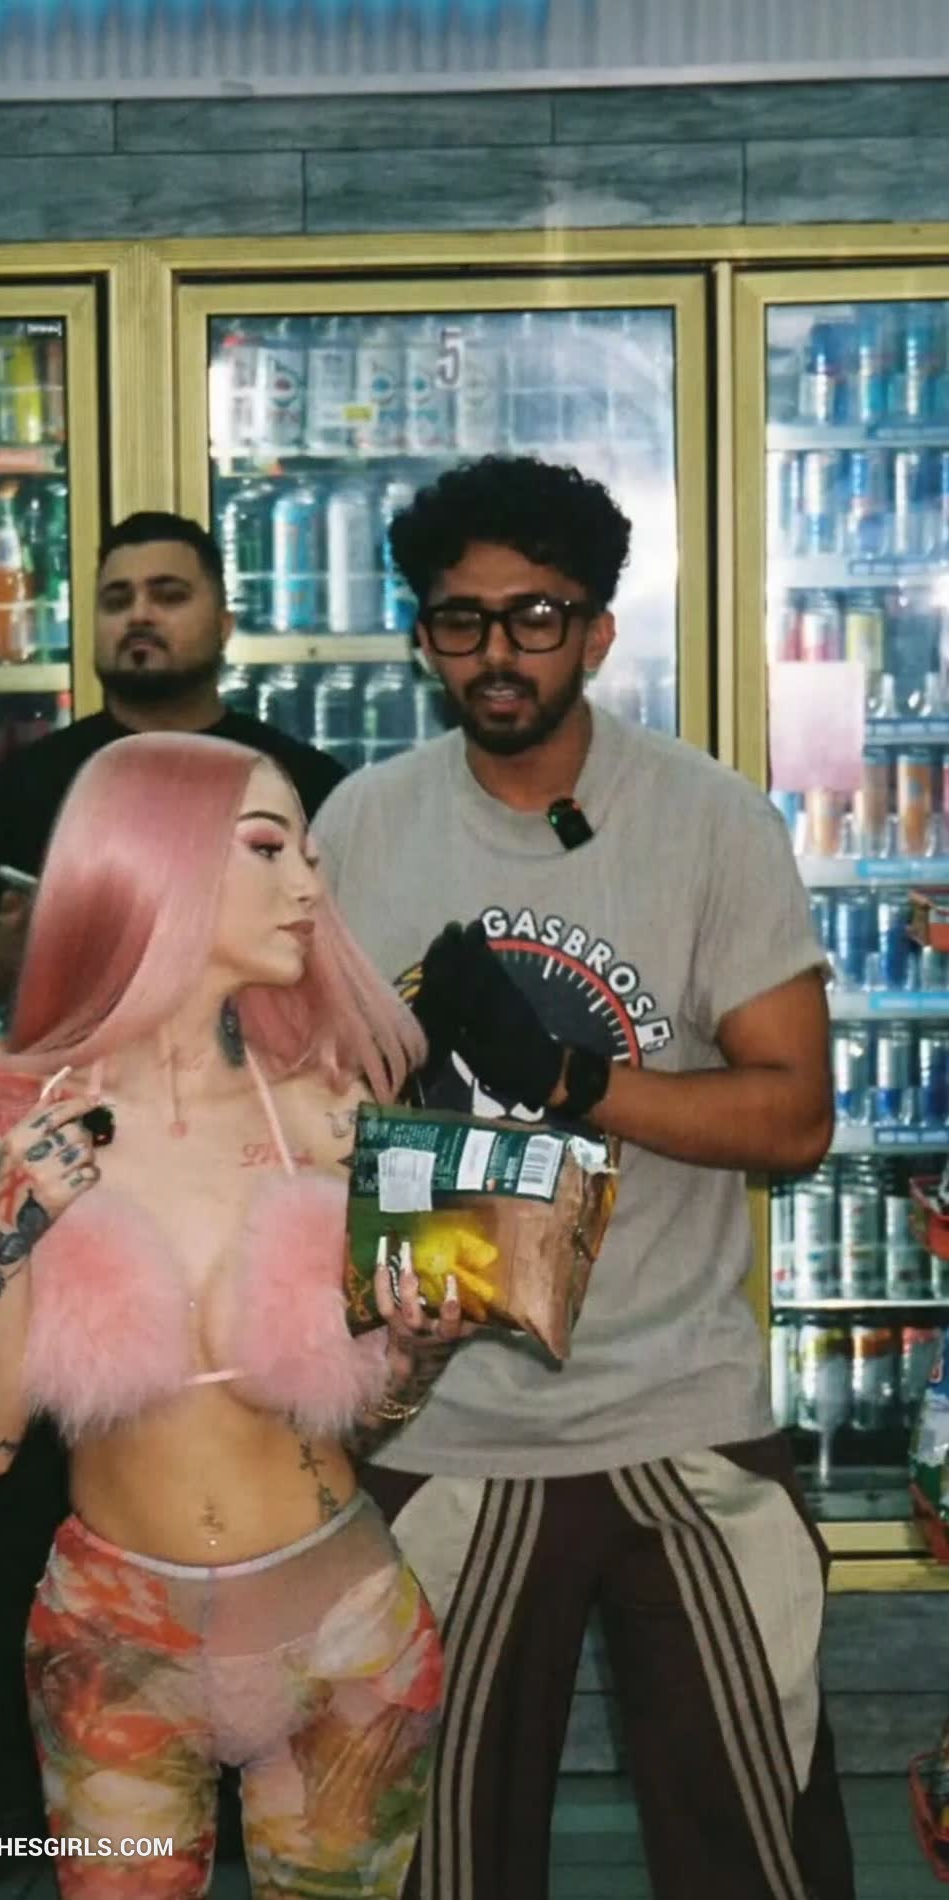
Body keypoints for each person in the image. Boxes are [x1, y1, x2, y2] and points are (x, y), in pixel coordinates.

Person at [313, 456, 856, 1900]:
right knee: (430, 1860)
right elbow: (308, 1102)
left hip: (682, 1412)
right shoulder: (362, 823)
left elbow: (796, 1116)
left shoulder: (709, 820)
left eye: (536, 616)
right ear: (422, 635)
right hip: (447, 1425)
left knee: (757, 1849)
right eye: (462, 619)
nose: (498, 652)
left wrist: (570, 1079)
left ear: (599, 631)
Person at [0, 731, 458, 1899]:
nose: (309, 884)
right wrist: (9, 1231)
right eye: (269, 848)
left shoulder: (334, 1104)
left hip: (348, 1632)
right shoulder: (11, 1114)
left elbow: (372, 1415)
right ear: (157, 860)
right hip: (113, 1640)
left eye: (310, 853)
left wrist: (418, 1351)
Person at [0, 511, 345, 1886]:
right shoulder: (39, 779)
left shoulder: (301, 777)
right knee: (29, 1525)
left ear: (224, 613)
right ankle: (10, 1788)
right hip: (101, 1568)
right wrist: (58, 947)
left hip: (327, 1597)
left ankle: (223, 1789)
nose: (140, 616)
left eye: (169, 591)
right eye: (117, 595)